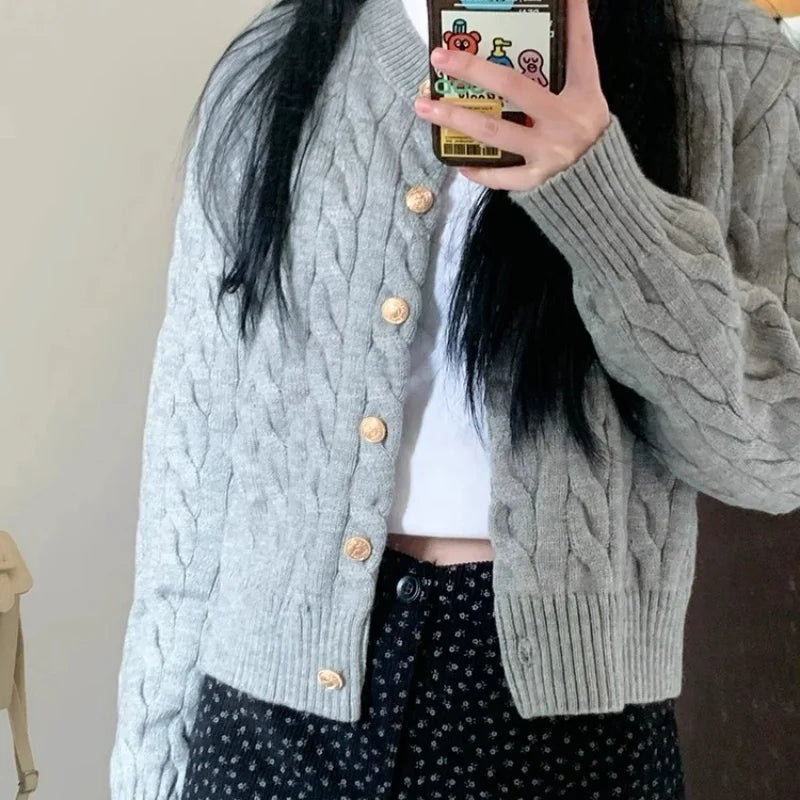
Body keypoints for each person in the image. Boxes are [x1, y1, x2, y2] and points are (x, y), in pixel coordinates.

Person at [108, 0, 800, 797]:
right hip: (264, 723)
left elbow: (774, 455)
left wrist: (601, 194)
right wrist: (148, 767)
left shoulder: (732, 61)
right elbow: (192, 455)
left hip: (564, 737)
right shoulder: (276, 60)